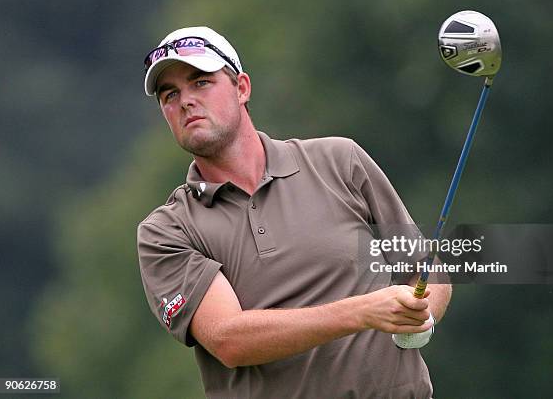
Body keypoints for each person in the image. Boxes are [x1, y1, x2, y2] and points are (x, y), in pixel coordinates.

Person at [137, 26, 452, 399]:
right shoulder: (167, 231)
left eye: (200, 82)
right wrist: (364, 312)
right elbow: (229, 339)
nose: (185, 100)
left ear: (241, 88)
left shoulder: (339, 161)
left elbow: (425, 268)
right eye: (169, 94)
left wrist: (422, 313)